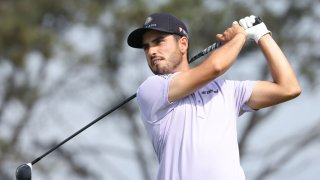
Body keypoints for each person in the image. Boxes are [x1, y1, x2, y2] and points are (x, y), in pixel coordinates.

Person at [127, 13, 301, 180]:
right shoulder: (151, 89)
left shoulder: (228, 90)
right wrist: (240, 36)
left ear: (183, 44)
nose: (151, 52)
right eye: (147, 47)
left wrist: (261, 34)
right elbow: (215, 67)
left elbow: (288, 87)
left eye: (159, 42)